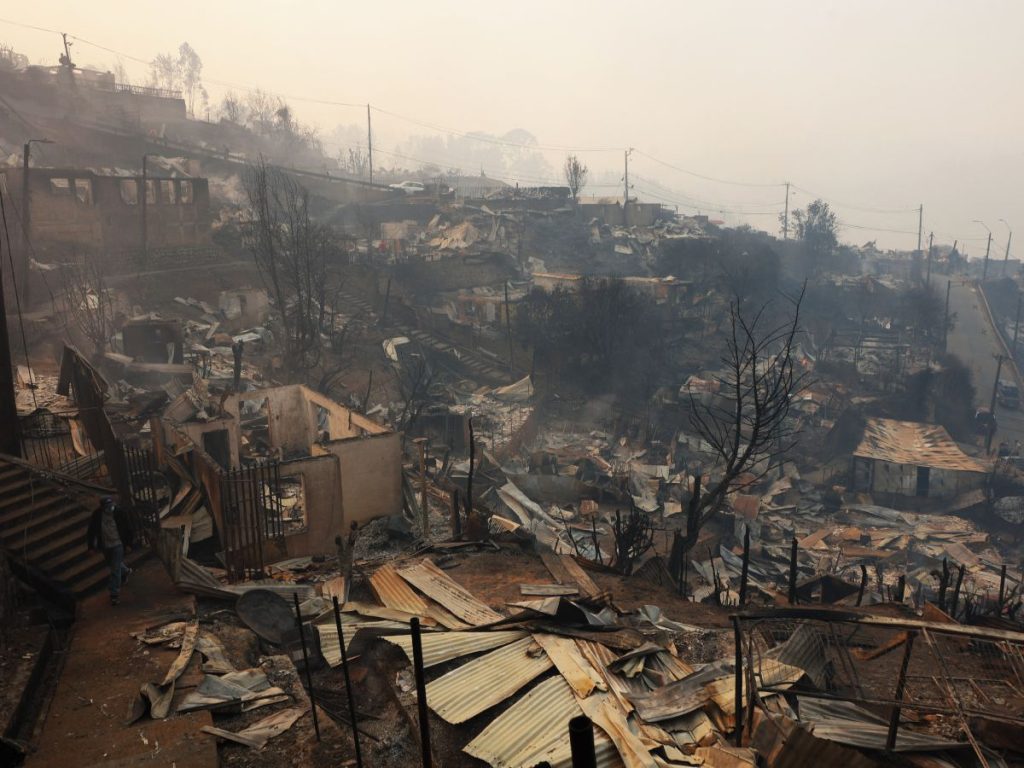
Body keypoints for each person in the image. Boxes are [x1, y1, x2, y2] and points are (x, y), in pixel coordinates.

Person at [86, 496, 134, 605]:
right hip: (105, 545)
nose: (109, 508)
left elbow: (128, 528)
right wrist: (91, 547)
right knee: (113, 565)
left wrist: (129, 544)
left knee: (115, 569)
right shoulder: (97, 515)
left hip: (118, 544)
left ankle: (114, 594)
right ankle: (126, 571)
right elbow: (91, 531)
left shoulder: (120, 513)